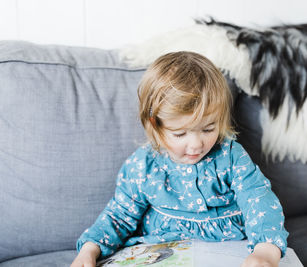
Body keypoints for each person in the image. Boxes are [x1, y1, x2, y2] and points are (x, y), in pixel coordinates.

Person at [71, 51, 288, 267]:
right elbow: (119, 216)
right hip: (164, 250)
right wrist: (90, 249)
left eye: (208, 128)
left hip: (231, 246)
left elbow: (258, 199)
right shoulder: (142, 167)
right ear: (155, 125)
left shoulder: (231, 156)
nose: (196, 144)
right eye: (180, 134)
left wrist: (266, 250)